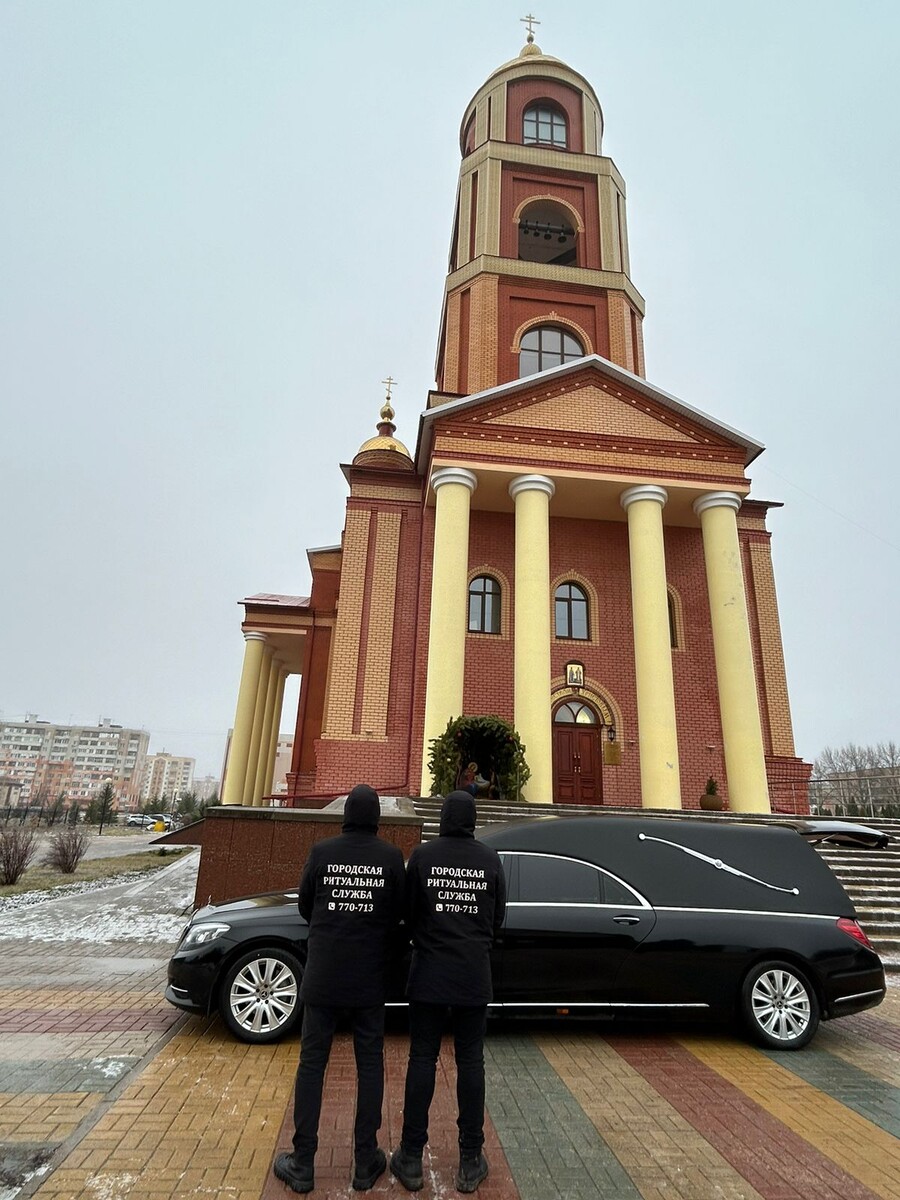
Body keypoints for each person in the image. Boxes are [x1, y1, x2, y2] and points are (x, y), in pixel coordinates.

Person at [274, 785, 406, 1195]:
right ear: (376, 819)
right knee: (370, 1066)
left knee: (312, 1065)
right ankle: (366, 1160)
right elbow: (399, 914)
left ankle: (303, 1162)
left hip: (324, 975)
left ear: (346, 815)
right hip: (368, 979)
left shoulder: (322, 852)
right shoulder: (389, 858)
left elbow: (305, 904)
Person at [390, 791, 506, 1195]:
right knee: (471, 1062)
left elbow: (407, 912)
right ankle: (471, 1160)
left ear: (443, 818)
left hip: (430, 974)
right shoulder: (490, 860)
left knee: (422, 1058)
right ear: (472, 820)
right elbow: (498, 919)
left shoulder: (422, 856)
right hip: (473, 975)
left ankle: (409, 1157)